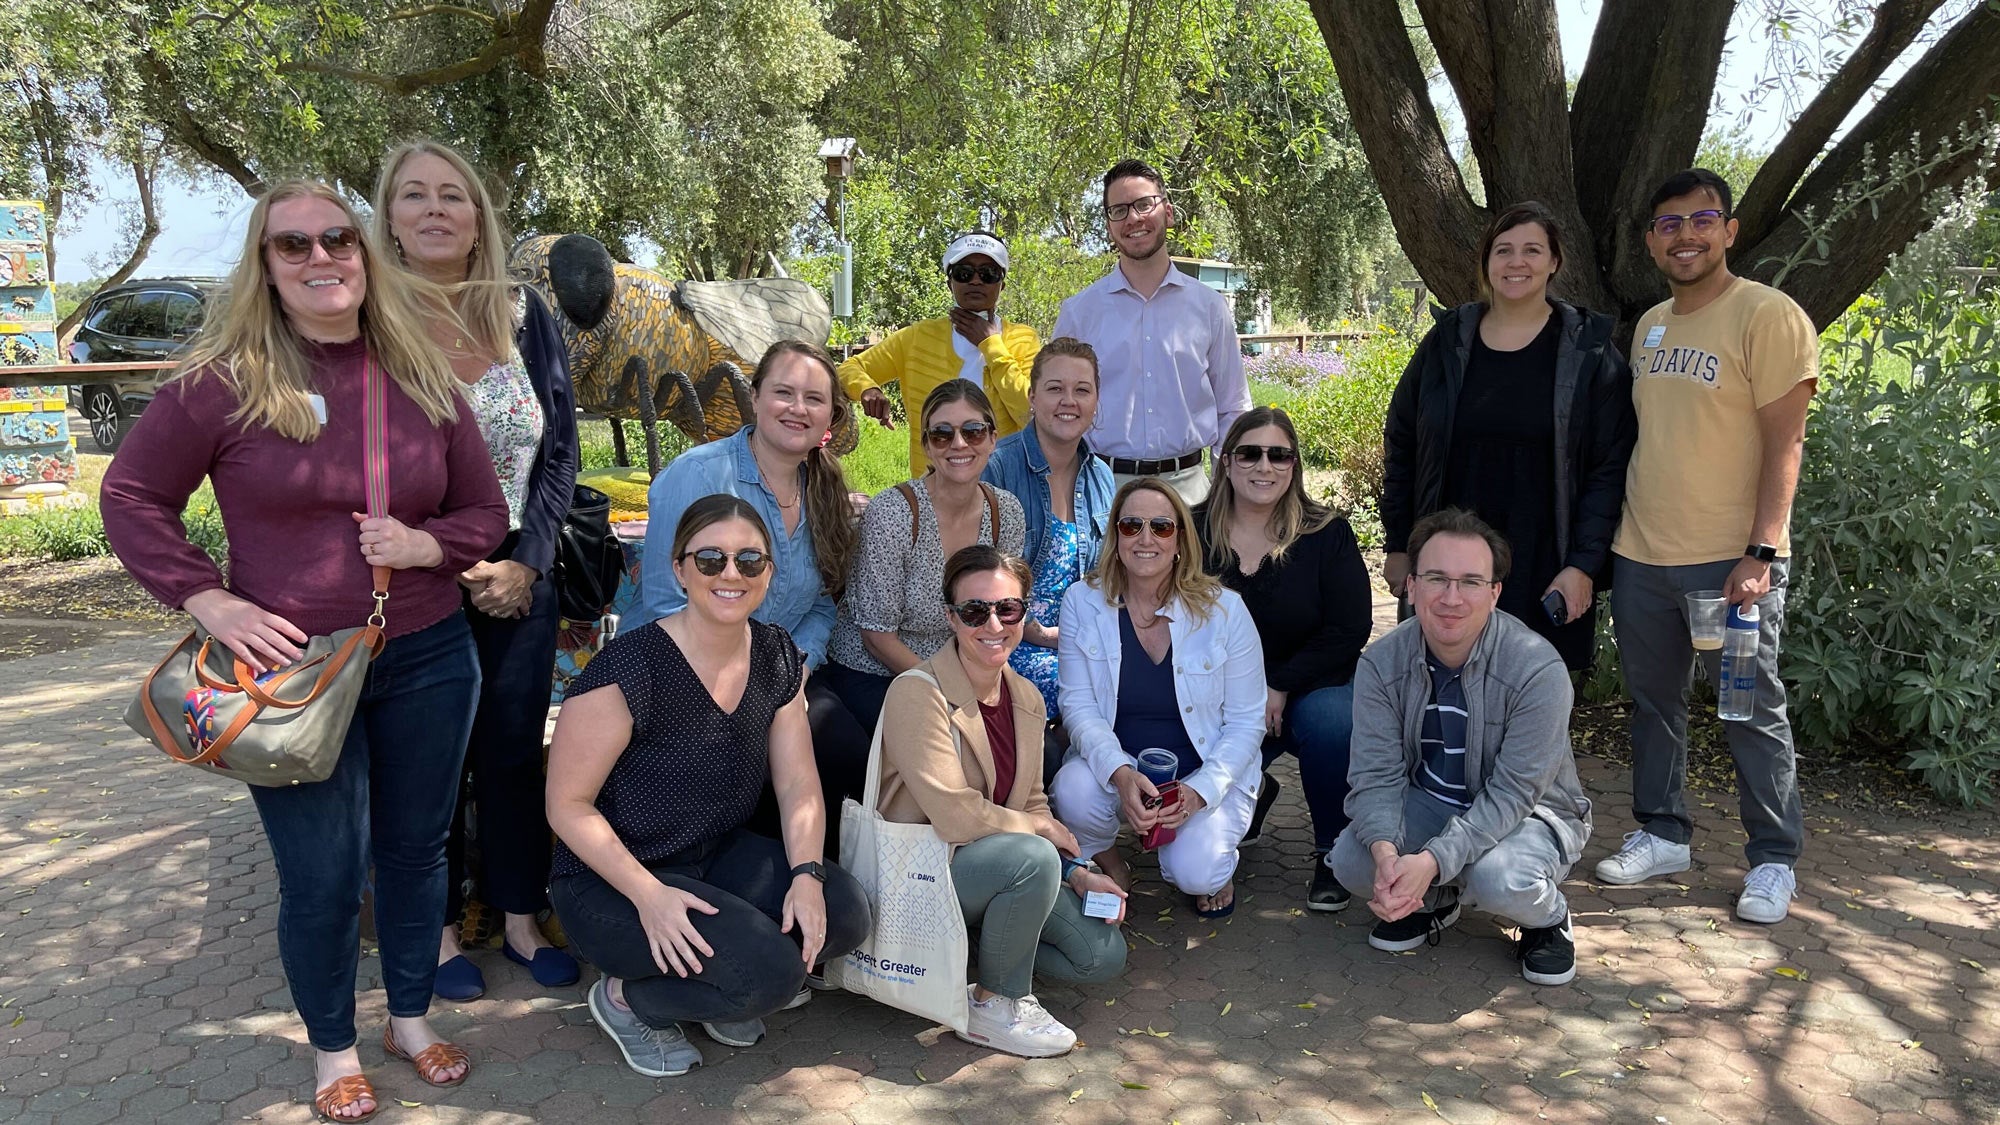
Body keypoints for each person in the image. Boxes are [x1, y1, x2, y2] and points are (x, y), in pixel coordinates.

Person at [101, 181, 508, 1122]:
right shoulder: (226, 381)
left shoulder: (422, 373)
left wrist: (427, 545)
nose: (321, 257)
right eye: (295, 246)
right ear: (266, 266)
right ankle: (332, 1048)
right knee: (324, 872)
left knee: (416, 853)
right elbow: (129, 496)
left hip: (429, 652)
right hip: (290, 674)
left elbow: (484, 512)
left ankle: (409, 1017)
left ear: (365, 255)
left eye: (338, 239)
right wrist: (209, 599)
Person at [547, 495, 871, 1078]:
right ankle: (626, 999)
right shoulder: (630, 668)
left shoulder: (773, 653)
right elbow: (566, 806)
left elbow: (798, 780)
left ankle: (718, 980)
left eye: (750, 562)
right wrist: (648, 895)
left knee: (844, 913)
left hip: (714, 855)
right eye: (711, 559)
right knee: (771, 975)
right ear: (679, 568)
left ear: (769, 573)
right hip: (614, 878)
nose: (730, 574)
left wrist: (806, 875)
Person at [372, 138, 583, 1000]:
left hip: (515, 584)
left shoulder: (523, 313)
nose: (433, 209)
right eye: (414, 195)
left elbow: (559, 455)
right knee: (428, 766)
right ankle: (441, 932)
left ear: (477, 217)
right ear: (387, 215)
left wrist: (529, 562)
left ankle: (522, 917)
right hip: (415, 583)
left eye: (452, 195)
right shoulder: (369, 321)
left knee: (508, 755)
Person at [1593, 169, 1817, 925]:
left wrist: (1761, 550)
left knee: (1749, 709)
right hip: (1643, 554)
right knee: (1654, 705)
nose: (1685, 234)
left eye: (1701, 219)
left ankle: (1774, 858)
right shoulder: (1652, 324)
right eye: (1669, 224)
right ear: (1652, 240)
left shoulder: (1767, 315)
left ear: (1730, 229)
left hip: (1730, 566)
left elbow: (1786, 445)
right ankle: (1662, 831)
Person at [876, 546, 1129, 1057]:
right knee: (1032, 855)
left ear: (1024, 614)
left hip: (1001, 869)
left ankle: (975, 957)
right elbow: (954, 814)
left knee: (1101, 958)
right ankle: (994, 1004)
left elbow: (1033, 800)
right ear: (950, 617)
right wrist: (1042, 833)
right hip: (926, 873)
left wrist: (1078, 870)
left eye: (1007, 609)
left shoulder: (1027, 698)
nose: (993, 623)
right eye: (974, 611)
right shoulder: (916, 692)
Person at [1327, 509, 1593, 987]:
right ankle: (1436, 897)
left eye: (1471, 582)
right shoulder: (1382, 664)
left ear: (1494, 593)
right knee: (1353, 860)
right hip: (1432, 802)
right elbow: (1375, 777)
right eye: (1436, 579)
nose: (1451, 598)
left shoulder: (1537, 669)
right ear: (1411, 586)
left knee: (1500, 880)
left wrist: (1429, 860)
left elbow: (1514, 794)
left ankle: (1548, 917)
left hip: (1531, 814)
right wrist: (1390, 858)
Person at [1381, 200, 1636, 670]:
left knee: (1533, 705)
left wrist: (1582, 566)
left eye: (1532, 250)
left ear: (1554, 261)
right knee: (1435, 700)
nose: (1517, 262)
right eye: (1503, 250)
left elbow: (1609, 469)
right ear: (1486, 262)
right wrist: (1399, 544)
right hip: (1449, 564)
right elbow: (1403, 444)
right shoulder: (1446, 343)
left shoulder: (1588, 353)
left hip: (1544, 562)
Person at [640, 341, 868, 855]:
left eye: (814, 398)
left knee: (857, 758)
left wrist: (795, 669)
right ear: (757, 398)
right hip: (689, 682)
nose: (797, 408)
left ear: (831, 413)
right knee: (772, 768)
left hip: (781, 676)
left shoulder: (824, 489)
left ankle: (823, 893)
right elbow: (661, 605)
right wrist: (748, 687)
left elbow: (823, 603)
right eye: (783, 392)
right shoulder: (697, 476)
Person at [1050, 479, 1265, 919]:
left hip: (1201, 769)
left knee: (1197, 873)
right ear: (1115, 537)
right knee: (1071, 791)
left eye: (1161, 527)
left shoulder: (1226, 611)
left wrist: (1200, 791)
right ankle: (1110, 861)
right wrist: (1121, 773)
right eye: (1131, 526)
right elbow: (1077, 706)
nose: (1145, 538)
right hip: (1123, 762)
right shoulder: (1082, 602)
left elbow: (1247, 723)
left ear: (1181, 539)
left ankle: (1213, 859)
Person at [1195, 406, 1372, 910]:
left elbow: (1349, 628)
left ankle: (1333, 852)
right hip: (1218, 689)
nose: (1264, 466)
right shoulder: (1189, 530)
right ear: (1226, 461)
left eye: (1279, 455)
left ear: (1294, 466)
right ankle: (1249, 797)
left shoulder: (1325, 533)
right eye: (1250, 453)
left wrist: (1279, 683)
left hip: (1310, 683)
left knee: (1333, 723)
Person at [824, 379, 1027, 733]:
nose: (959, 444)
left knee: (1038, 747)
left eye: (974, 431)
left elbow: (1002, 616)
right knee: (955, 749)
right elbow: (877, 636)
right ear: (928, 448)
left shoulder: (1005, 513)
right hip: (877, 673)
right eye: (942, 434)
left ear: (993, 439)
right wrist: (950, 692)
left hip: (964, 669)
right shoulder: (895, 513)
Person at [1052, 158, 1250, 505]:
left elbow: (1232, 408)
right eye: (1119, 210)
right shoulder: (1079, 313)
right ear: (1109, 226)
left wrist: (1230, 495)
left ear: (1168, 213)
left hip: (1191, 495)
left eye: (1144, 204)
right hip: (1102, 493)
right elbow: (1057, 410)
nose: (1133, 218)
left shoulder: (1209, 308)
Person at [980, 338, 1118, 724]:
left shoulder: (1102, 478)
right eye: (1055, 388)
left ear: (1095, 401)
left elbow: (1108, 578)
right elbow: (974, 578)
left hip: (1081, 641)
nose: (1068, 401)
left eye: (1082, 390)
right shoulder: (998, 469)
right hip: (1009, 642)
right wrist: (1045, 636)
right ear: (1032, 397)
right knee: (1089, 697)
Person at [838, 231, 1039, 473]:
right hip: (932, 491)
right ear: (949, 282)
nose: (976, 281)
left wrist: (990, 344)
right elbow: (847, 369)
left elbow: (1031, 412)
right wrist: (866, 389)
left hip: (1005, 486)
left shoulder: (1022, 339)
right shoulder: (916, 338)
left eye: (988, 274)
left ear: (1001, 284)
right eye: (964, 273)